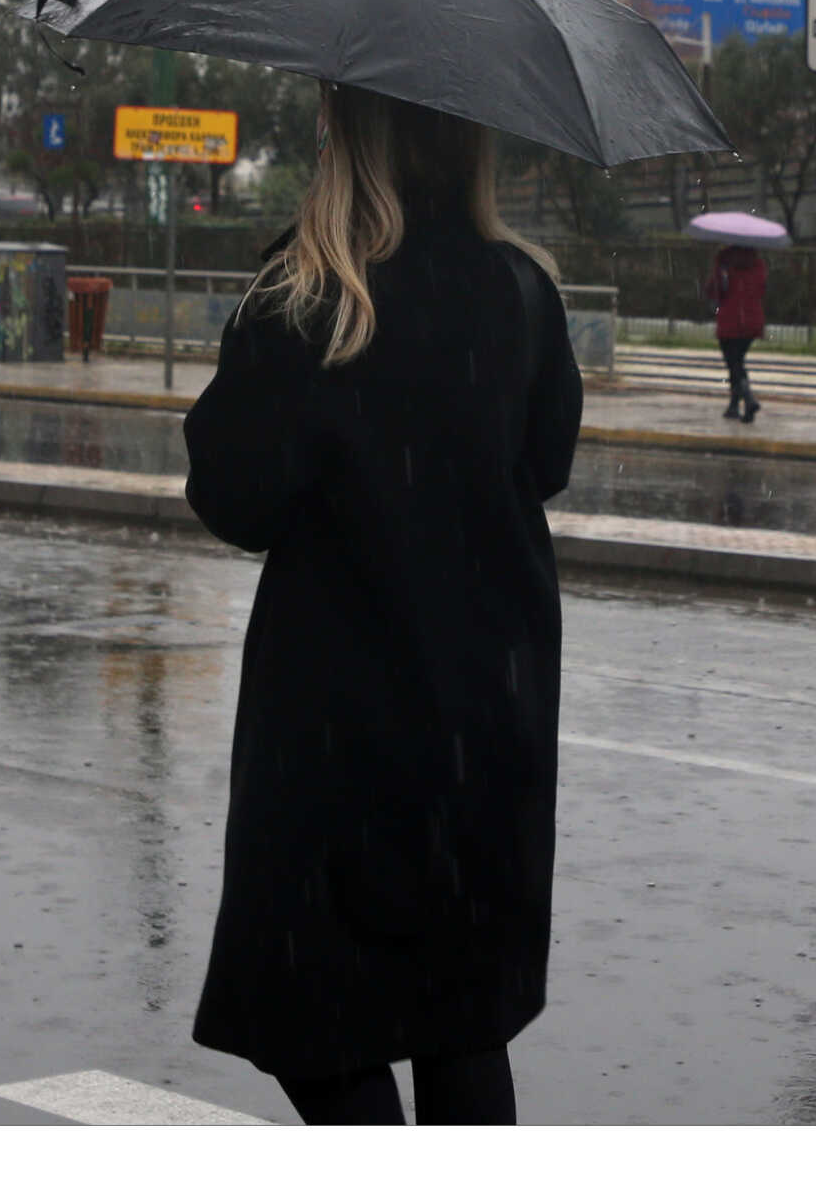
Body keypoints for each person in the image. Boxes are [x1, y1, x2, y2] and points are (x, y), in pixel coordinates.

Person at [182, 85, 582, 1127]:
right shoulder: (522, 291)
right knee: (461, 1022)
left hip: (339, 731)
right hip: (487, 721)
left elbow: (233, 496)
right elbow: (545, 461)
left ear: (347, 132)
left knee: (306, 1017)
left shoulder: (313, 297)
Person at [704, 243, 766, 422]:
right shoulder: (757, 263)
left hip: (729, 320)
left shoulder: (724, 262)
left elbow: (716, 291)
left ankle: (748, 398)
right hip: (752, 320)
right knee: (737, 362)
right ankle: (735, 406)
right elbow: (761, 289)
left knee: (734, 364)